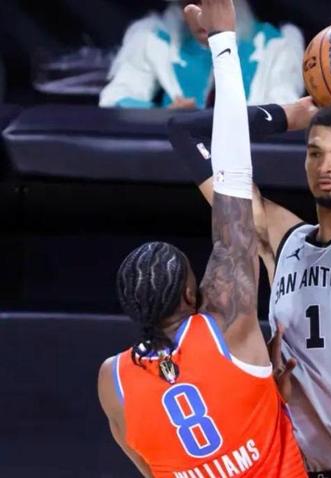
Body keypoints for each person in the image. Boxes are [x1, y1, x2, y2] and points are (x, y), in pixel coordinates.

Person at [170, 19, 331, 477]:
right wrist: (297, 113)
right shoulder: (282, 239)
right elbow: (185, 133)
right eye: (314, 153)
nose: (325, 166)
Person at [97, 1, 307, 476]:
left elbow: (149, 467)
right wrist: (224, 41)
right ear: (192, 294)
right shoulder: (228, 328)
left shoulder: (113, 381)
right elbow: (233, 187)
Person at [99, 0, 304, 109]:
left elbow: (284, 109)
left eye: (213, 4)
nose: (203, 14)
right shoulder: (156, 39)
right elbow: (115, 98)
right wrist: (165, 118)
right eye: (193, 3)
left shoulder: (273, 45)